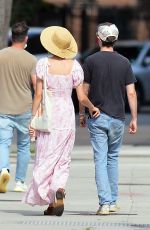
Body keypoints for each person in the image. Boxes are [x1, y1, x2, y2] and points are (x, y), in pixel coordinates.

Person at [22, 26, 100, 216]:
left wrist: (32, 118)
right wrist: (91, 107)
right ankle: (58, 191)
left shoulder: (43, 64)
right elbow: (81, 97)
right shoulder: (75, 66)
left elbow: (38, 94)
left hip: (48, 115)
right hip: (66, 114)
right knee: (62, 159)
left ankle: (50, 199)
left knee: (45, 158)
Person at [79, 22, 137, 215]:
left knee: (100, 160)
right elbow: (131, 93)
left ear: (98, 39)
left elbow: (84, 91)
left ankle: (104, 203)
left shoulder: (90, 61)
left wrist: (82, 112)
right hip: (118, 118)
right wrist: (134, 118)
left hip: (97, 115)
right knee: (113, 159)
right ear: (115, 40)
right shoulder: (125, 62)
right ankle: (112, 202)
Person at [0, 21, 37, 193]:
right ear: (26, 38)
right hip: (24, 107)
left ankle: (3, 169)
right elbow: (37, 88)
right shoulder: (31, 60)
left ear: (11, 37)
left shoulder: (1, 55)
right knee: (23, 146)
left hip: (3, 107)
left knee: (3, 143)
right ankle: (20, 182)